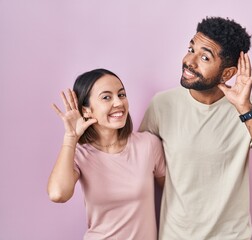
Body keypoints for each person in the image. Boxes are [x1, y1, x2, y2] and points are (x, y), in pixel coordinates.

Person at [139, 16, 252, 239]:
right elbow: (144, 166)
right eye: (190, 48)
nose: (189, 61)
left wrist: (245, 110)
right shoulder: (162, 104)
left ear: (227, 73)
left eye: (204, 57)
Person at [47, 68, 166, 240]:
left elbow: (172, 194)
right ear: (86, 110)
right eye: (106, 97)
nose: (118, 103)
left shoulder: (148, 145)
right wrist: (70, 138)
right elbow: (58, 194)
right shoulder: (79, 155)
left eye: (122, 95)